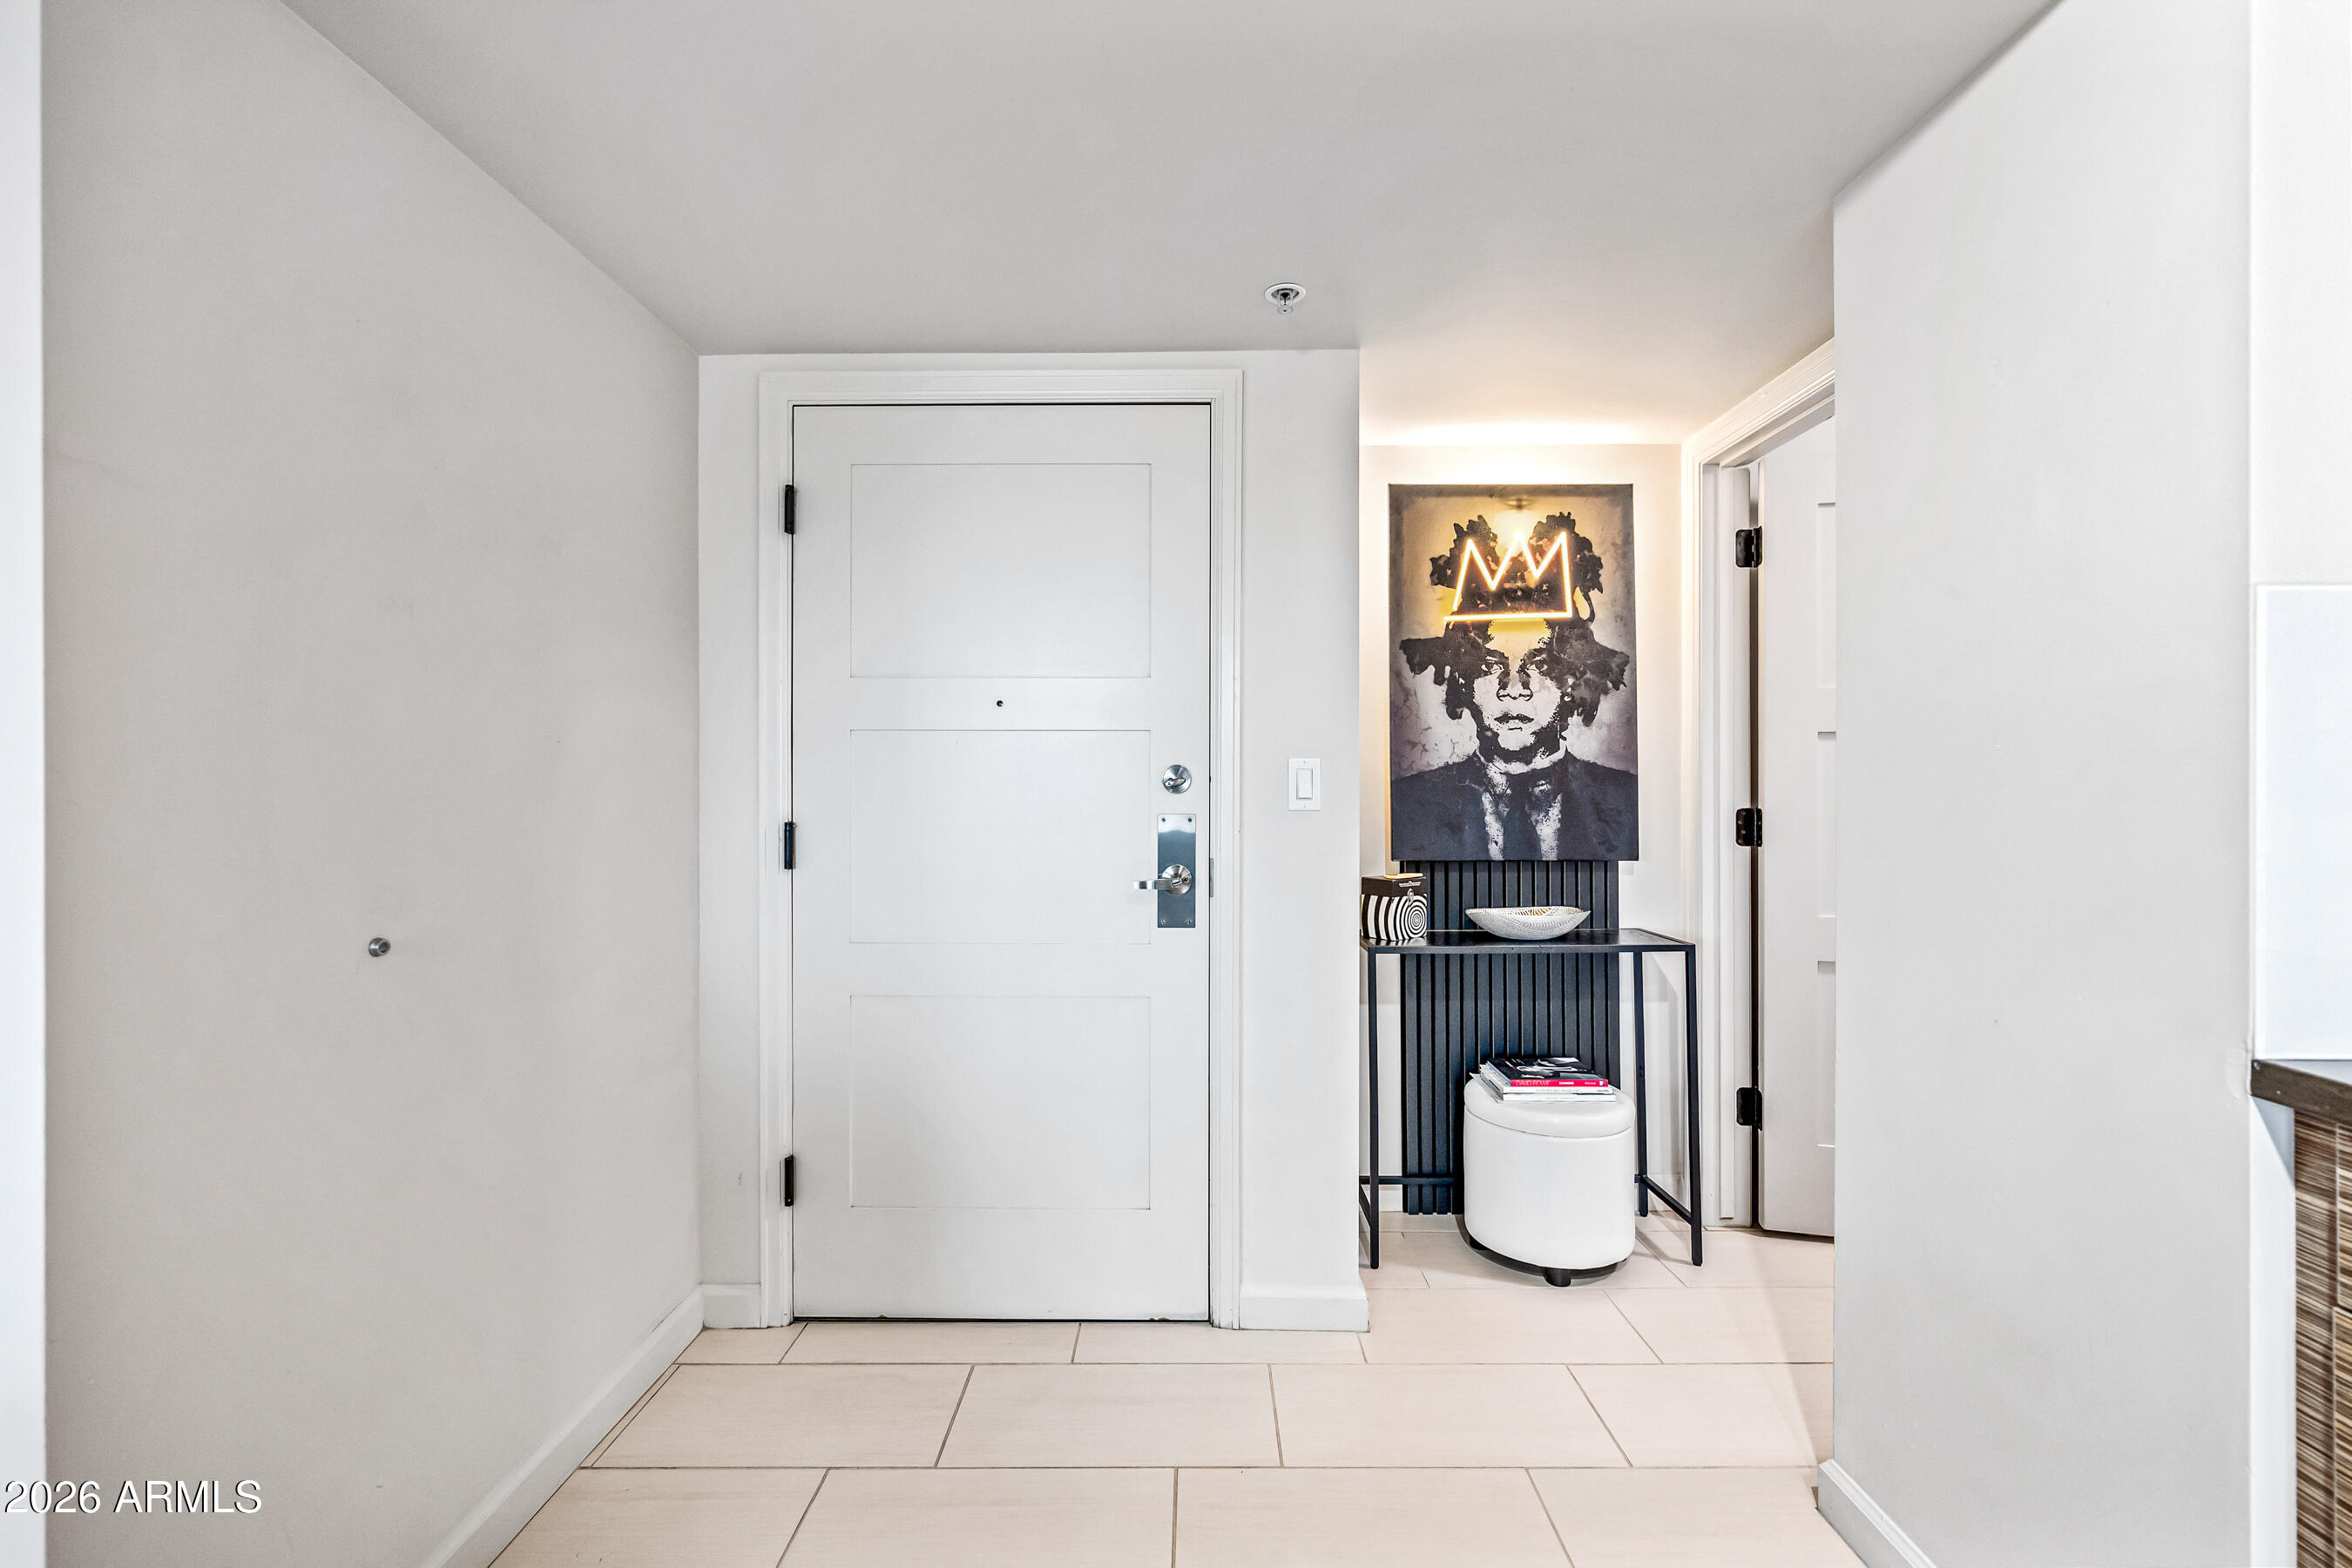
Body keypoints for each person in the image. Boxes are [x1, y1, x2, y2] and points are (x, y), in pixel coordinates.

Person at [1392, 513, 1637, 861]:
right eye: (1492, 666)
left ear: (1570, 680)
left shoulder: (1626, 799)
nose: (1514, 690)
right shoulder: (1409, 805)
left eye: (1537, 665)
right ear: (1464, 681)